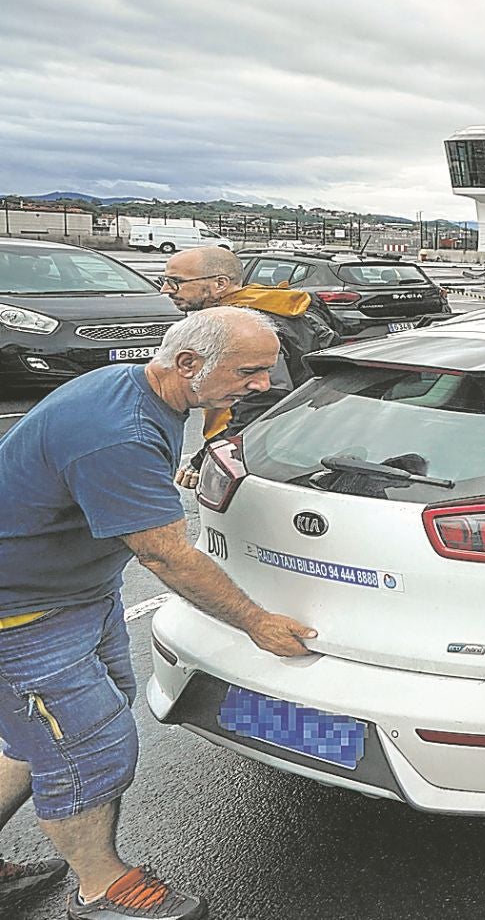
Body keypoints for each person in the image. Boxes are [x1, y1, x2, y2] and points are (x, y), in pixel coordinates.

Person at [0, 307, 319, 919]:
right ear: (189, 364)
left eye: (266, 370)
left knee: (44, 735)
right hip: (22, 615)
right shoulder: (118, 430)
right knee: (87, 748)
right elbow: (164, 554)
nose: (264, 384)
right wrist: (256, 621)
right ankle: (102, 888)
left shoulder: (146, 390)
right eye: (248, 371)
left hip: (71, 597)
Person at [158, 246, 336, 478]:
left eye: (176, 281)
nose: (165, 290)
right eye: (164, 280)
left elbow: (260, 405)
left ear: (220, 283)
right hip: (300, 440)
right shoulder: (277, 305)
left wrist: (208, 457)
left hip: (262, 453)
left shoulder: (243, 328)